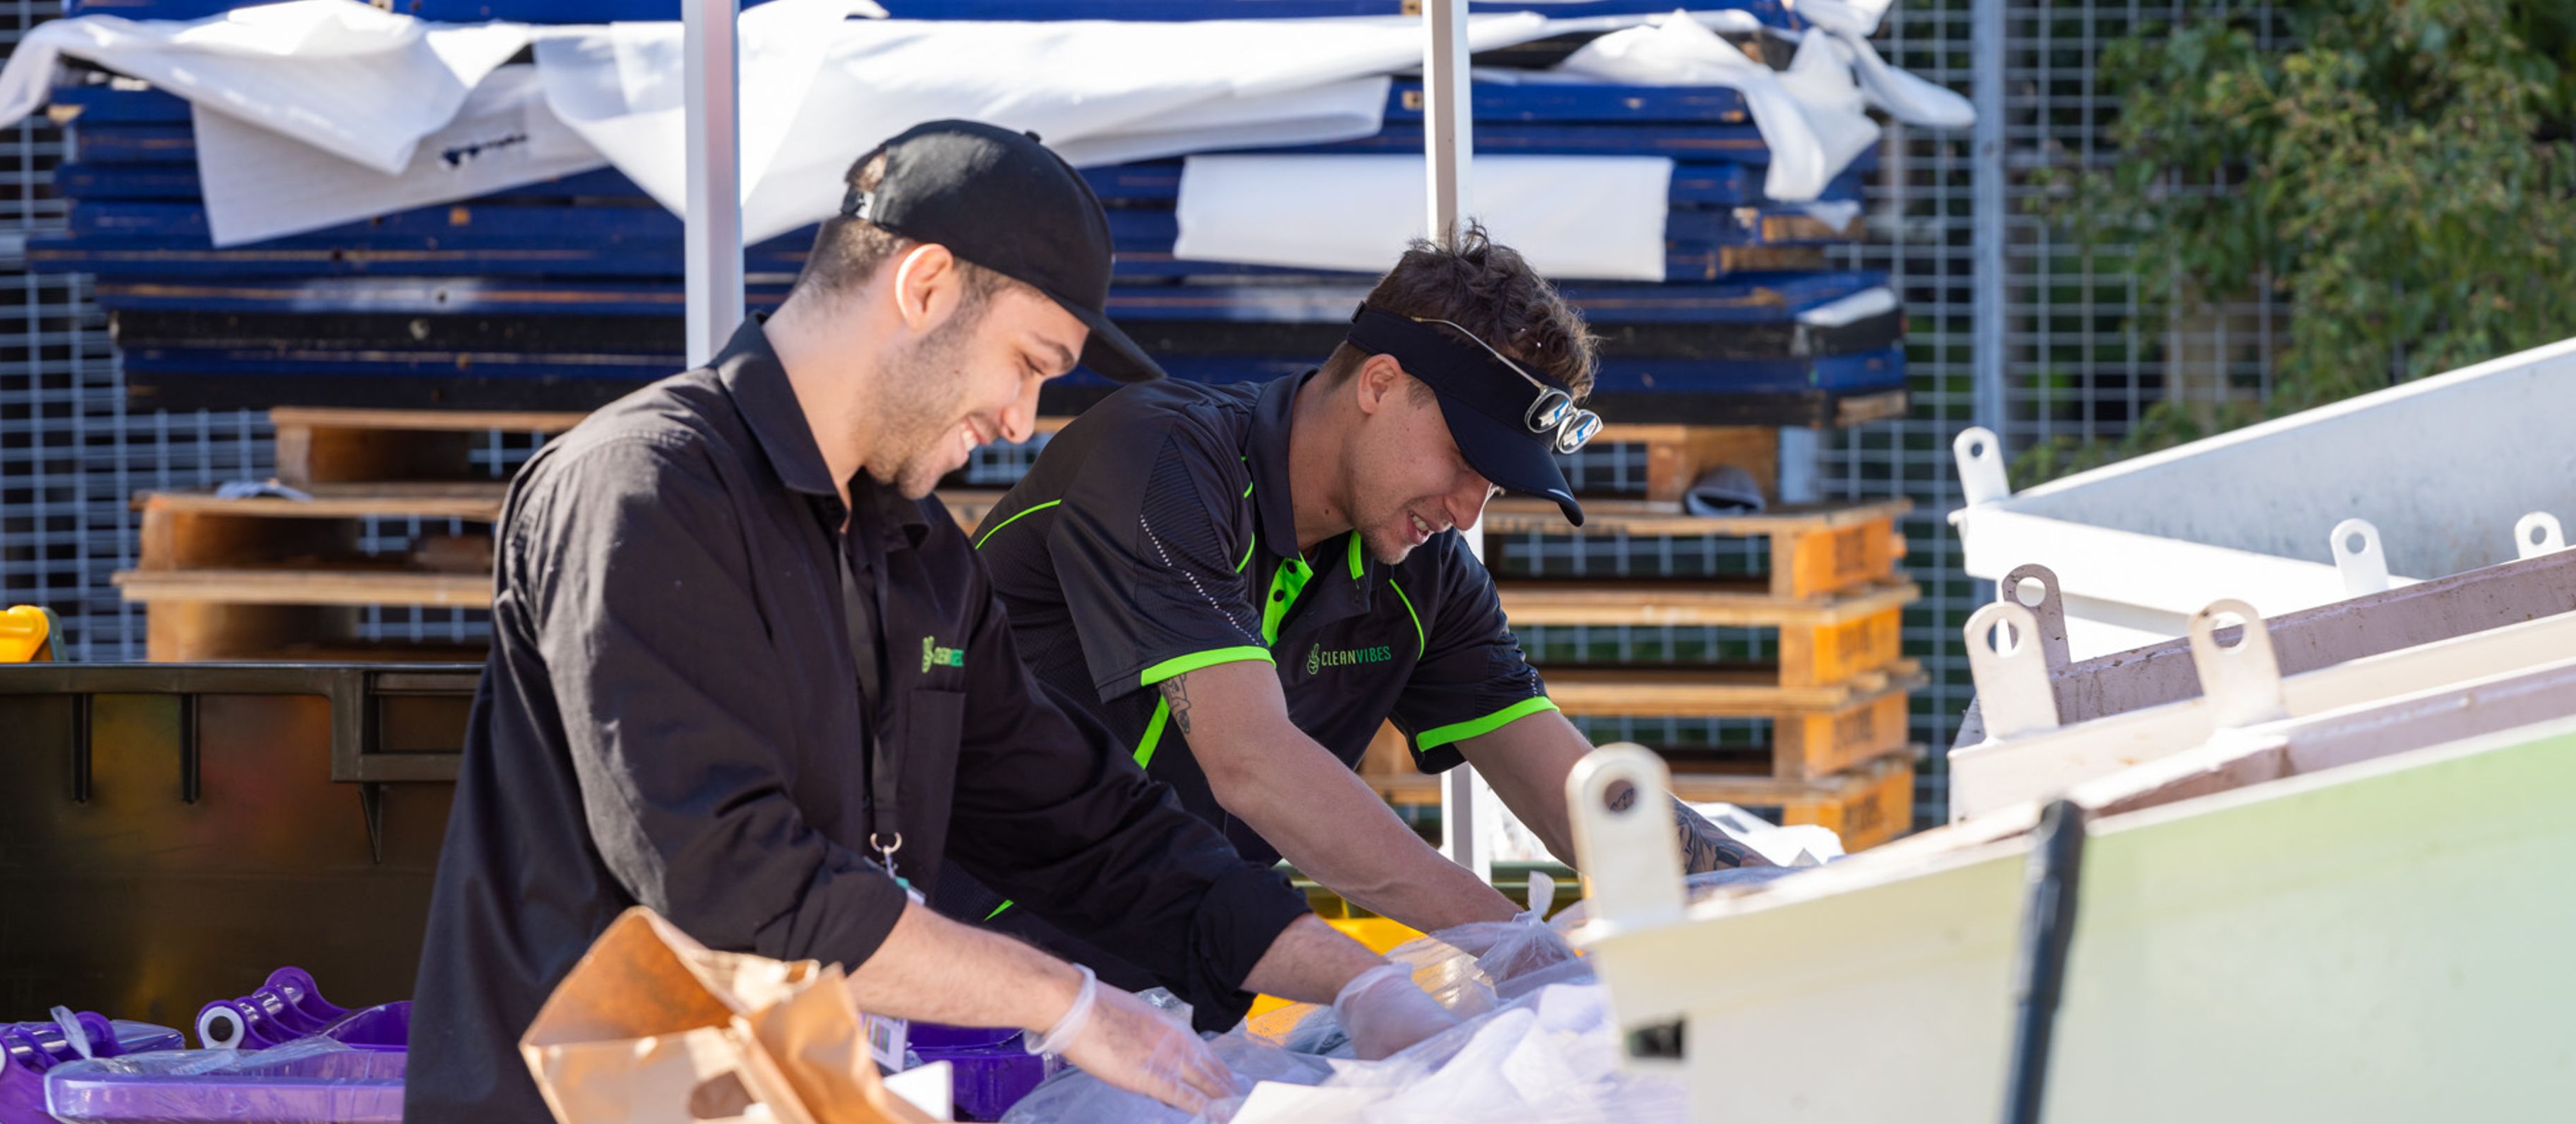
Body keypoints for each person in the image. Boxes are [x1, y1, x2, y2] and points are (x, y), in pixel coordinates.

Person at [408, 122, 1459, 1124]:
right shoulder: (644, 490)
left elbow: (1086, 826)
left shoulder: (919, 558)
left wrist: (1359, 978)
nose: (1020, 421)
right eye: (1029, 363)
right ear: (924, 286)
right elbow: (730, 879)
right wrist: (1065, 1001)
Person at [936, 226, 1768, 984]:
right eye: (1464, 457)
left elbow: (1575, 796)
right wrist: (1513, 937)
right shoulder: (1162, 457)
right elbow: (1252, 762)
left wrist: (1774, 897)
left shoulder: (1424, 565)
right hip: (950, 963)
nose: (1468, 509)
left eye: (1496, 482)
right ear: (1380, 381)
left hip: (1156, 991)